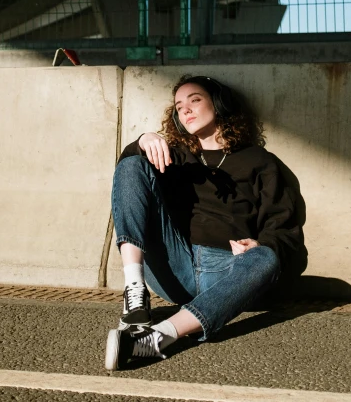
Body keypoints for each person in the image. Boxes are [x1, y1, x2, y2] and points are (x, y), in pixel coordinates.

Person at [105, 74, 305, 371]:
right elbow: (129, 183)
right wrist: (142, 142)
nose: (185, 109)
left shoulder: (259, 161)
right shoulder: (175, 157)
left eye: (195, 100)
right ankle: (134, 295)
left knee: (267, 256)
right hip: (176, 267)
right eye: (179, 105)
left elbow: (285, 230)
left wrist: (260, 244)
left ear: (219, 104)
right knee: (133, 162)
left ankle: (158, 337)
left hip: (227, 272)